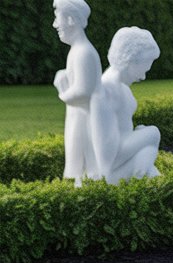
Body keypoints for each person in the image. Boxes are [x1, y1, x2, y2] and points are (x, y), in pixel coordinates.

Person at [95, 27, 161, 184]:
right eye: (143, 68)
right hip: (110, 174)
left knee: (149, 167)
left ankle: (143, 159)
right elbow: (107, 159)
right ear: (130, 60)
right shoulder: (106, 91)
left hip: (125, 162)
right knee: (152, 132)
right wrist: (151, 136)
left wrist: (147, 152)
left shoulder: (122, 88)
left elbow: (127, 136)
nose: (144, 77)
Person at [52, 0, 106, 185]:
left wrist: (62, 92)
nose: (55, 24)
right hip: (78, 117)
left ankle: (88, 194)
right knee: (79, 163)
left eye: (57, 18)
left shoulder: (83, 52)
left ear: (71, 20)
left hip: (85, 120)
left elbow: (83, 91)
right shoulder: (77, 51)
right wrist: (64, 75)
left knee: (87, 162)